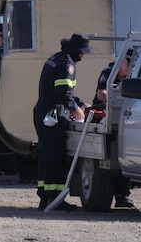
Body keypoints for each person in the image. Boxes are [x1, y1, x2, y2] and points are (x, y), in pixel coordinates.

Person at [32, 33, 92, 211]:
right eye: (83, 52)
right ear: (76, 51)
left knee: (45, 156)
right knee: (55, 158)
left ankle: (45, 197)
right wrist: (75, 108)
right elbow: (63, 92)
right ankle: (55, 199)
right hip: (54, 115)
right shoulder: (67, 65)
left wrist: (80, 103)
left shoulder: (56, 58)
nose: (84, 55)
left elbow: (58, 90)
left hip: (44, 113)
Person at [91, 49, 135, 208]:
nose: (131, 68)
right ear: (122, 61)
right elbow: (101, 94)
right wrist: (119, 95)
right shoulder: (110, 71)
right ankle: (118, 193)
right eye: (128, 64)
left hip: (126, 119)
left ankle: (123, 195)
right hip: (105, 115)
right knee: (111, 158)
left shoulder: (135, 75)